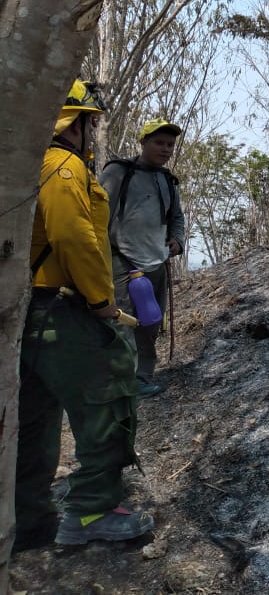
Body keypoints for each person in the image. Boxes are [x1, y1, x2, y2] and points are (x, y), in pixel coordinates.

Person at [15, 80, 153, 552]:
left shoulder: (23, 164)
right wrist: (101, 302)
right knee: (109, 398)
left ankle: (27, 521)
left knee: (33, 418)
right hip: (63, 309)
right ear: (73, 121)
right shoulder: (63, 166)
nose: (91, 131)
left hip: (27, 314)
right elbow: (74, 239)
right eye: (90, 122)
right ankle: (92, 510)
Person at [99, 118, 185, 398]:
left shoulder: (167, 180)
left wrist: (177, 240)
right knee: (124, 321)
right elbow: (97, 216)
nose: (165, 149)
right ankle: (121, 378)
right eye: (159, 143)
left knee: (150, 321)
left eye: (170, 144)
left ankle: (143, 376)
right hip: (121, 261)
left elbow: (176, 218)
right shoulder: (117, 173)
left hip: (156, 261)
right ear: (143, 143)